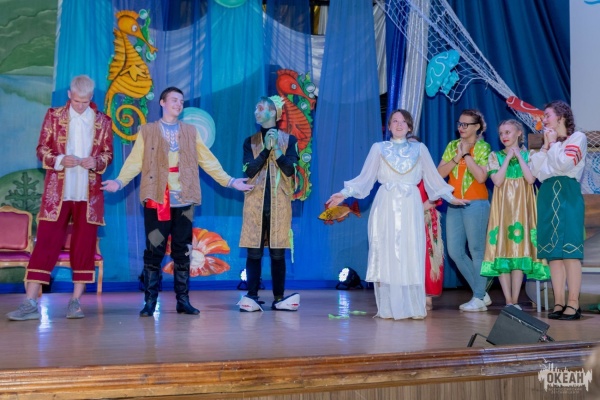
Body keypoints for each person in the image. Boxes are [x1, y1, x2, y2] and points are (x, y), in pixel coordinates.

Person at [101, 87, 253, 317]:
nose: (178, 104)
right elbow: (135, 161)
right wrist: (119, 182)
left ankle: (183, 301)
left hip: (184, 201)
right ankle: (150, 302)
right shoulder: (148, 131)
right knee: (154, 250)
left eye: (181, 101)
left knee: (183, 251)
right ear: (162, 102)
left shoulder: (190, 132)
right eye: (174, 100)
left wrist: (230, 182)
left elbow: (208, 161)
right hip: (157, 200)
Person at [326, 109, 466, 320]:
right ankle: (390, 307)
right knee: (388, 252)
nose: (399, 124)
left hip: (410, 205)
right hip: (386, 204)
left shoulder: (419, 149)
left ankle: (412, 307)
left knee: (410, 251)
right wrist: (344, 194)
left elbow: (433, 179)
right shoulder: (379, 148)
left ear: (409, 127)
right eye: (395, 121)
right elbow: (365, 178)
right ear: (389, 126)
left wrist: (449, 197)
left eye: (403, 121)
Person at [7, 75, 113, 321]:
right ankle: (30, 303)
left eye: (85, 101)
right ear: (69, 95)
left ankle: (75, 302)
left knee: (84, 247)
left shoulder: (103, 121)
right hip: (58, 194)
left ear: (91, 97)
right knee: (46, 243)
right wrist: (59, 160)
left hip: (89, 197)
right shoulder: (54, 116)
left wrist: (96, 162)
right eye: (76, 101)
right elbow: (41, 149)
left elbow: (108, 154)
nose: (80, 106)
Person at [237, 96, 300, 312]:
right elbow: (249, 170)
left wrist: (278, 151)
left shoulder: (289, 140)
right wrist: (265, 150)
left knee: (277, 254)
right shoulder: (250, 141)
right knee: (254, 253)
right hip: (255, 203)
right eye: (256, 108)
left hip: (279, 204)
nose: (256, 111)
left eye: (261, 108)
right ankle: (252, 296)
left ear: (273, 112)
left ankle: (279, 297)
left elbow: (290, 170)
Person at [481, 120, 549, 309]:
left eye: (508, 132)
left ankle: (515, 300)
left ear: (519, 133)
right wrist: (507, 159)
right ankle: (508, 300)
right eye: (501, 133)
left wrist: (518, 156)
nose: (504, 136)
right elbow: (497, 181)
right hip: (503, 209)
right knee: (503, 250)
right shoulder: (494, 156)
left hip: (522, 210)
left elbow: (530, 179)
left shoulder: (530, 155)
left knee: (519, 250)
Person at [530, 101, 587, 320]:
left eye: (547, 115)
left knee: (570, 252)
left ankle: (573, 302)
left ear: (561, 116)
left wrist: (553, 145)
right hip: (547, 194)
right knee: (554, 254)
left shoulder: (577, 138)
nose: (544, 119)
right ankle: (559, 302)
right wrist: (546, 146)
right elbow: (536, 172)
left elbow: (564, 165)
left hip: (567, 193)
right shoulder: (549, 143)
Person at [437, 109, 492, 312]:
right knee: (455, 251)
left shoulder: (483, 147)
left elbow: (481, 177)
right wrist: (457, 156)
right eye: (459, 124)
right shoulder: (452, 146)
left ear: (477, 127)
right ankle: (482, 293)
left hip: (476, 203)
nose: (461, 128)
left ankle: (478, 296)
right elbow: (439, 173)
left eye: (466, 124)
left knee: (477, 250)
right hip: (455, 203)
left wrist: (467, 154)